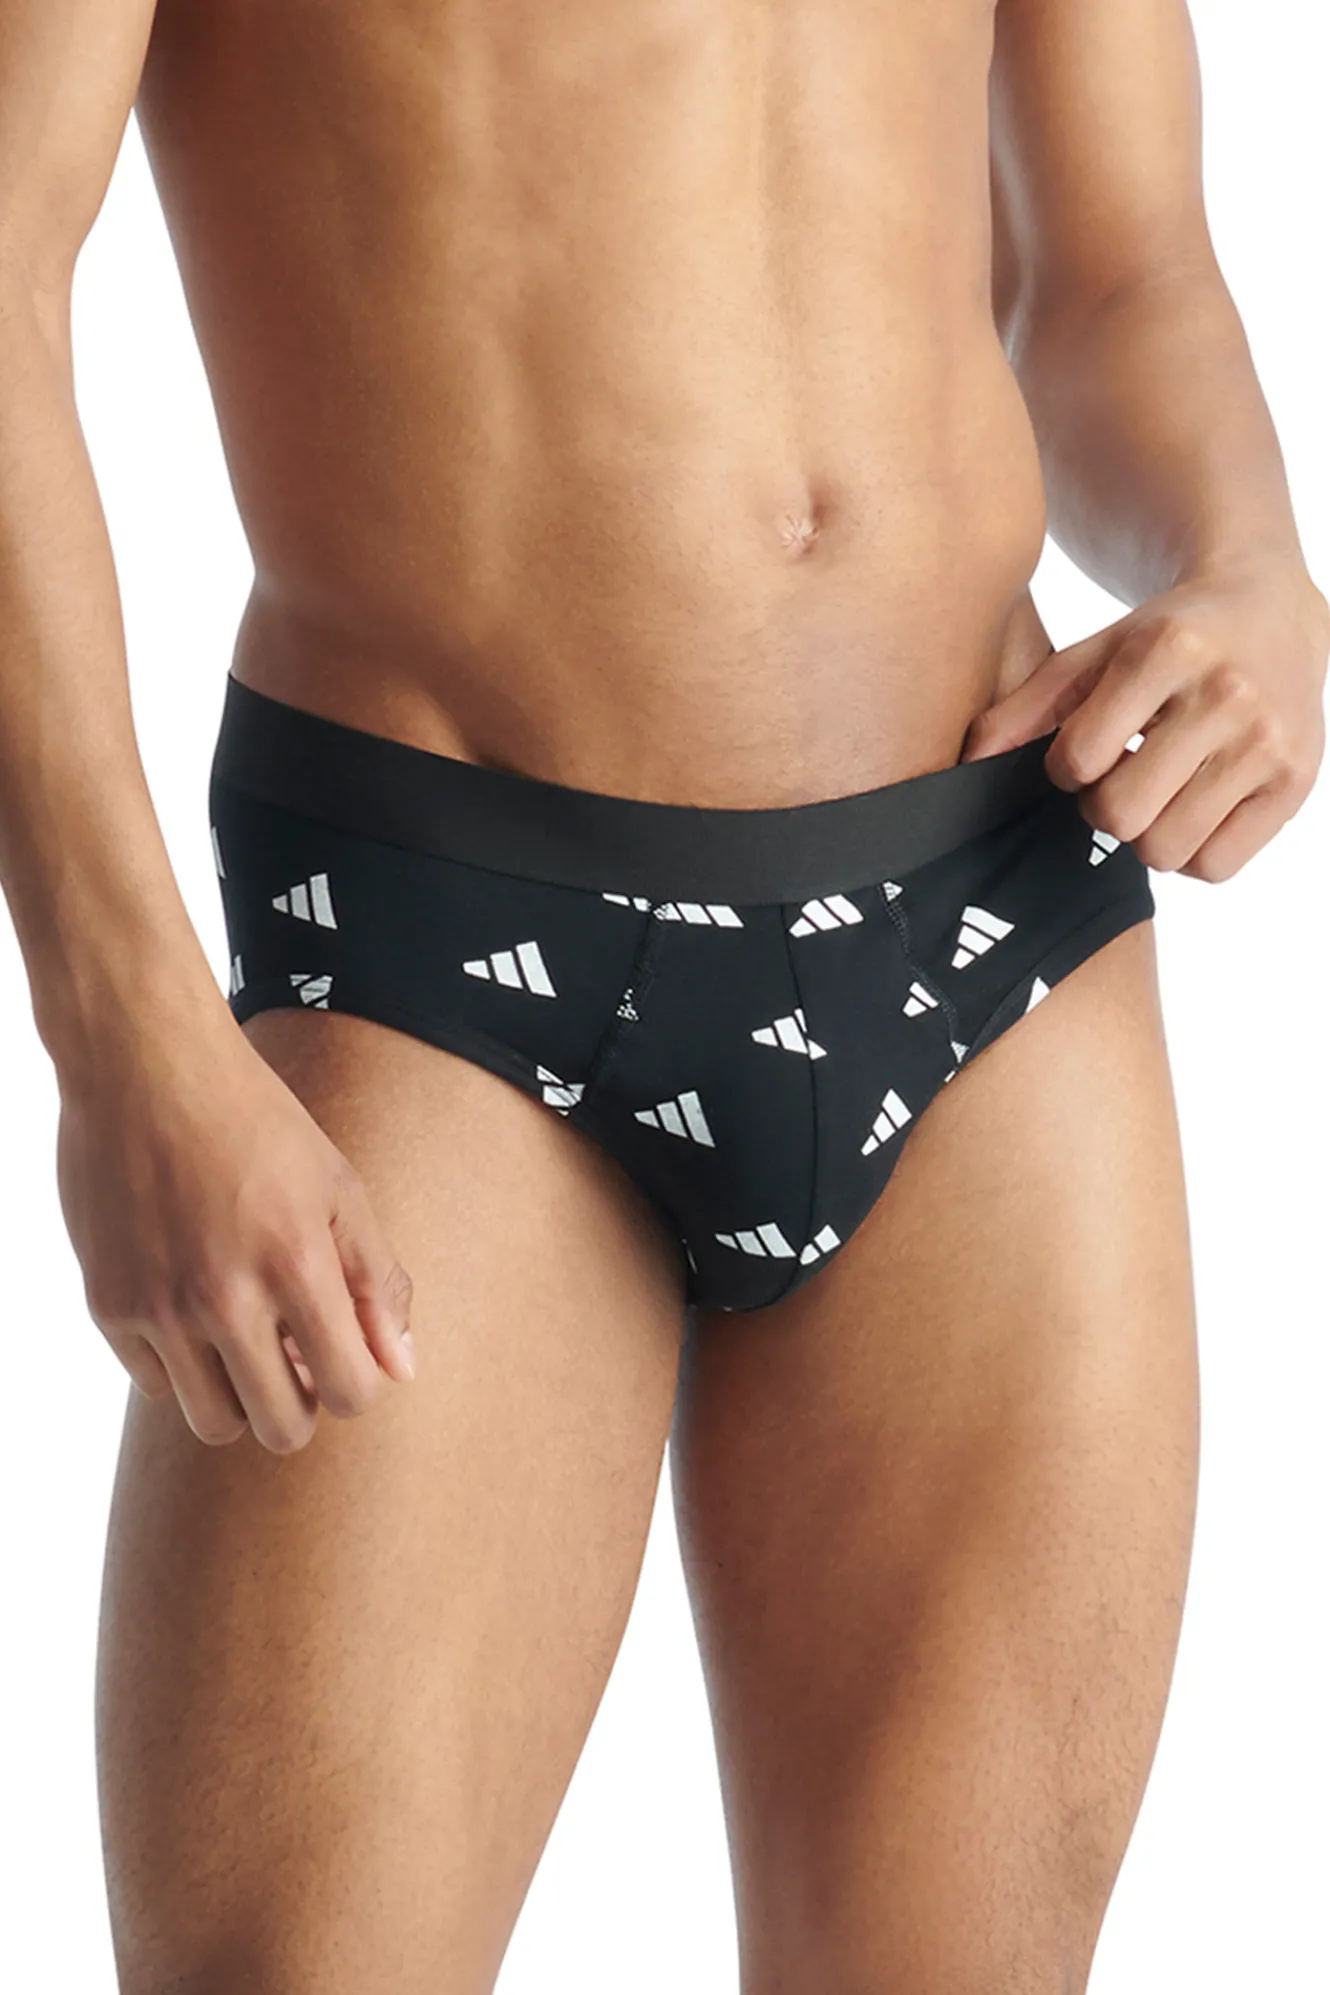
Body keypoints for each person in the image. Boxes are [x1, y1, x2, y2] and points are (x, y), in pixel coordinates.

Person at [0, 0, 1324, 1987]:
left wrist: (1247, 561)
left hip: (989, 899)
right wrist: (124, 1040)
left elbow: (1113, 261)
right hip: (445, 927)